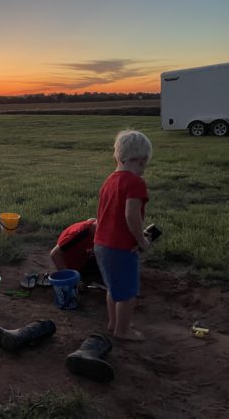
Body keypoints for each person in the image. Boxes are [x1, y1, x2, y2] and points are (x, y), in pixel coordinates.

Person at [94, 130, 152, 341]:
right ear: (142, 160)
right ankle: (123, 331)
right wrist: (141, 240)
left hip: (101, 243)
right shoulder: (136, 183)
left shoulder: (110, 180)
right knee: (127, 293)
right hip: (120, 247)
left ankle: (114, 323)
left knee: (113, 287)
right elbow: (131, 215)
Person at [50, 218, 102, 283]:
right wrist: (70, 278)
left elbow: (91, 220)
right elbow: (54, 254)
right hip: (72, 267)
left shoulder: (94, 226)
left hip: (84, 259)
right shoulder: (80, 233)